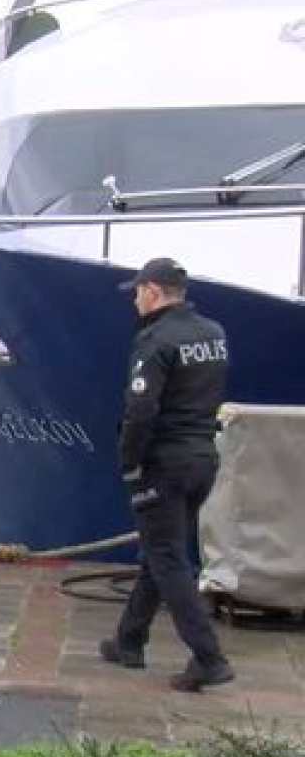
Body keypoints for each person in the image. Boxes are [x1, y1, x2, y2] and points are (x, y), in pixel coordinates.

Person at [99, 257, 233, 692]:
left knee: (169, 558)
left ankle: (208, 657)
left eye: (137, 291)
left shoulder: (154, 340)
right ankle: (129, 641)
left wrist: (129, 461)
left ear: (153, 292)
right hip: (202, 458)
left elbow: (141, 410)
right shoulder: (214, 334)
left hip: (164, 463)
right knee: (160, 552)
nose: (134, 299)